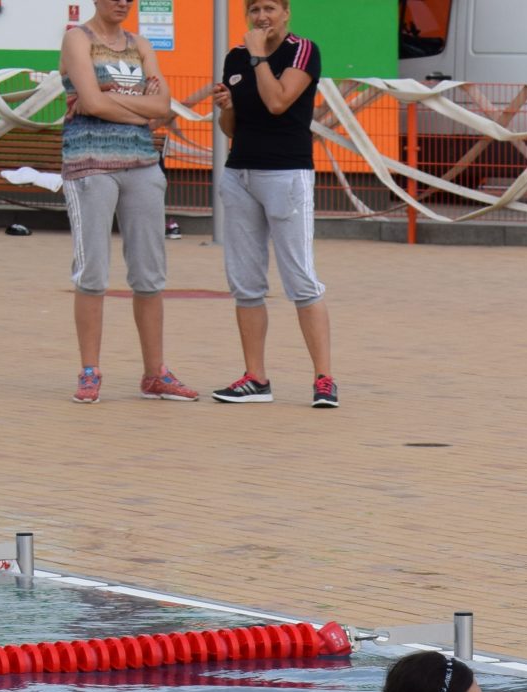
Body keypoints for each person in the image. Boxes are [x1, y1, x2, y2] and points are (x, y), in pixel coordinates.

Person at [58, 0, 197, 404]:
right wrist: (139, 110)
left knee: (149, 274)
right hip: (90, 164)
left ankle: (155, 374)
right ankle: (89, 370)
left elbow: (162, 106)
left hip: (142, 165)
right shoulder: (77, 39)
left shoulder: (140, 45)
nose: (122, 2)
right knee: (92, 271)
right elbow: (93, 102)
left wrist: (110, 101)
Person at [207, 0, 336, 407]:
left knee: (300, 278)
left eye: (270, 8)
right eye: (255, 9)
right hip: (240, 174)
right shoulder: (235, 56)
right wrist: (226, 108)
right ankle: (255, 378)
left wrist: (259, 56)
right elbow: (231, 127)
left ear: (286, 12)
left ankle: (324, 379)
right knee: (245, 282)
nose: (262, 17)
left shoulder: (302, 50)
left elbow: (279, 102)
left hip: (286, 175)